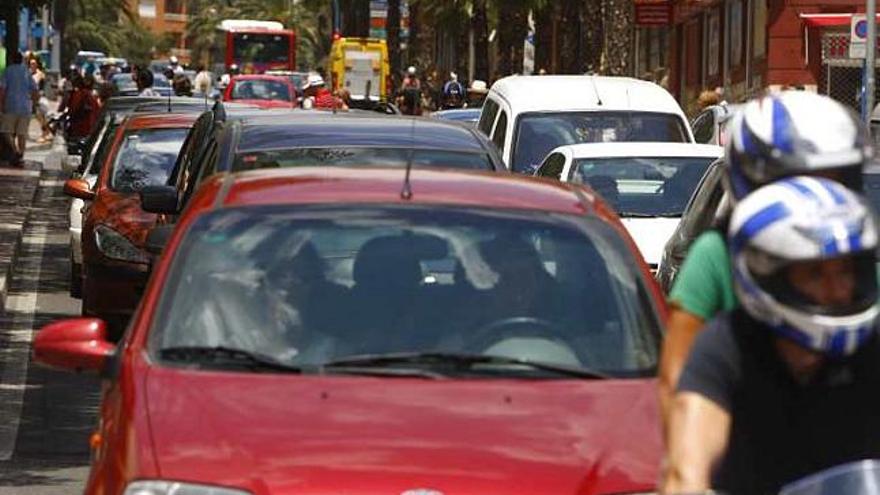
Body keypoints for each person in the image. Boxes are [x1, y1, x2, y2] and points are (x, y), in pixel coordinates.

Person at [657, 91, 874, 431]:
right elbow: (677, 378)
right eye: (795, 184)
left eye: (834, 181)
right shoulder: (716, 255)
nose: (817, 197)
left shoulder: (861, 260)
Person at [662, 176, 880, 495]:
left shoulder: (871, 346)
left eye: (845, 271)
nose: (837, 291)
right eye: (815, 274)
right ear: (772, 277)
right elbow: (687, 468)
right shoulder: (727, 346)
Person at [0, 51, 38, 164]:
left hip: (10, 105)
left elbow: (2, 90)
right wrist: (34, 103)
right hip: (25, 107)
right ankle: (21, 155)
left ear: (11, 59)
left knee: (6, 131)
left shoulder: (8, 71)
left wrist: (1, 104)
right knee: (22, 133)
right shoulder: (26, 72)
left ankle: (15, 149)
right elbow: (35, 90)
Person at [66, 74, 100, 141]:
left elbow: (73, 109)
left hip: (81, 127)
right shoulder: (89, 94)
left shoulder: (81, 94)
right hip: (88, 126)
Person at [29, 58, 51, 143]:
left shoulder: (39, 74)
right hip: (32, 97)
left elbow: (39, 86)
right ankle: (47, 132)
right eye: (31, 64)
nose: (32, 65)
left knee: (40, 116)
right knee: (38, 116)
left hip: (39, 98)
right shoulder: (29, 73)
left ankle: (46, 133)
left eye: (33, 63)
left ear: (37, 65)